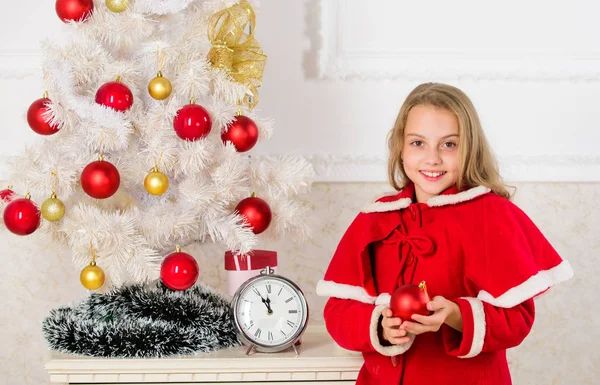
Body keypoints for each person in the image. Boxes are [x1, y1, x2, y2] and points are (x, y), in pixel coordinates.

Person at [316, 83, 574, 385]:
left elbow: (517, 321)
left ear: (469, 148)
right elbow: (338, 312)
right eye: (417, 143)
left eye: (449, 144)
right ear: (400, 147)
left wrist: (456, 314)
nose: (432, 158)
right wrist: (380, 327)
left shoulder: (492, 216)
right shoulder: (375, 218)